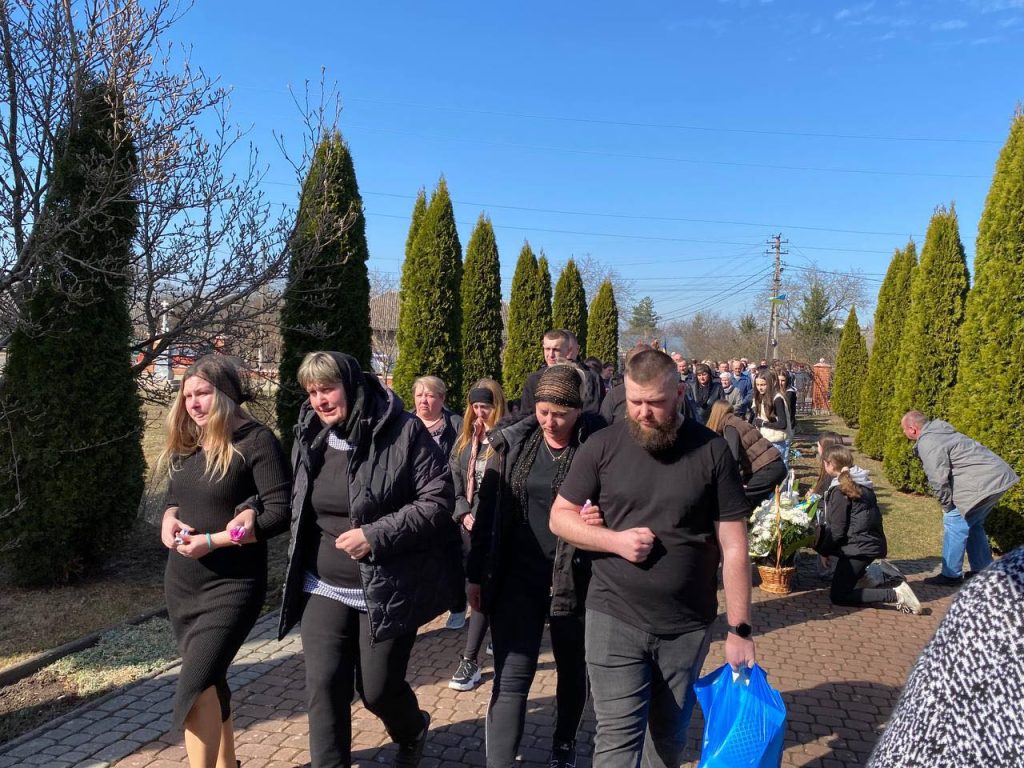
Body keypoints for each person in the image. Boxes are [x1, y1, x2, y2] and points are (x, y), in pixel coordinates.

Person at [549, 349, 755, 768]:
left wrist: (740, 629)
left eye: (655, 403)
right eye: (635, 401)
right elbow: (560, 516)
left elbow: (734, 545)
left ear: (678, 394)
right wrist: (613, 540)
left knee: (668, 739)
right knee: (616, 739)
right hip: (613, 616)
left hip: (686, 624)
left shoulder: (712, 451)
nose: (643, 413)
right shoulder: (603, 445)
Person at [277, 351, 461, 768]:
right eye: (312, 392)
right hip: (323, 584)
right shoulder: (310, 432)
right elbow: (295, 495)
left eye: (327, 389)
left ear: (351, 387)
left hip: (387, 585)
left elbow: (437, 500)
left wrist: (374, 535)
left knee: (377, 690)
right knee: (324, 685)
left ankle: (411, 728)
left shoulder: (404, 431)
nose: (319, 400)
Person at [467, 365, 606, 768]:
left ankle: (564, 743)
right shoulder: (514, 443)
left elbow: (622, 502)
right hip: (517, 576)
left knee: (572, 669)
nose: (550, 422)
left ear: (578, 409)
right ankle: (500, 761)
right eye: (544, 411)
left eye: (560, 414)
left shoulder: (597, 446)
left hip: (576, 579)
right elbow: (488, 509)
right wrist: (475, 574)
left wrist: (603, 517)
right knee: (512, 674)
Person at [159, 355, 292, 768]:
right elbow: (175, 496)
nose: (194, 404)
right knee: (210, 681)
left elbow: (279, 513)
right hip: (183, 584)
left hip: (232, 586)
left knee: (193, 686)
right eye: (188, 396)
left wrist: (213, 541)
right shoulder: (191, 440)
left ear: (227, 394)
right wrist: (168, 518)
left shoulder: (257, 441)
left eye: (203, 393)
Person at [866, 545, 1024, 768]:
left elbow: (926, 735)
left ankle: (916, 585)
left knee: (840, 592)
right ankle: (973, 567)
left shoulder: (1003, 594)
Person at [900, 410, 1019, 586]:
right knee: (973, 524)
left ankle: (951, 575)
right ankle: (982, 571)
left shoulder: (928, 441)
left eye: (903, 429)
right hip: (999, 478)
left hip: (985, 483)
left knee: (954, 522)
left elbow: (938, 478)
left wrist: (947, 505)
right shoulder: (941, 432)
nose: (903, 433)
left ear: (912, 429)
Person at [446, 378, 506, 692]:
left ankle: (470, 659)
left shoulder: (504, 440)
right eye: (475, 406)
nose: (480, 412)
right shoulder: (466, 441)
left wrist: (480, 515)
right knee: (478, 588)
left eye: (486, 406)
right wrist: (462, 511)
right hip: (468, 526)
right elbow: (455, 484)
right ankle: (486, 643)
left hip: (495, 526)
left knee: (483, 590)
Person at [814, 444, 922, 614]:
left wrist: (823, 551)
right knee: (844, 580)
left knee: (839, 596)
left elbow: (837, 531)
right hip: (868, 542)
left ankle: (896, 595)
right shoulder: (861, 482)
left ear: (829, 464)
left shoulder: (840, 490)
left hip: (858, 548)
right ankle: (863, 578)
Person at [706, 401, 786, 508]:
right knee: (752, 502)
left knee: (740, 501)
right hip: (774, 465)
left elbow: (733, 458)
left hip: (768, 469)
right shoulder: (737, 421)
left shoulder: (730, 426)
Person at [520, 329, 603, 415]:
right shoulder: (533, 380)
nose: (551, 355)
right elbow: (526, 414)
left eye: (556, 350)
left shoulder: (584, 378)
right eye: (547, 349)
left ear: (568, 351)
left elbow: (590, 413)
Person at [412, 375, 463, 459]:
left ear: (442, 397)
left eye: (429, 396)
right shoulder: (403, 422)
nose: (423, 400)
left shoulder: (457, 425)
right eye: (419, 395)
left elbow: (459, 460)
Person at [750, 370, 793, 466]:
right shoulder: (760, 397)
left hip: (777, 441)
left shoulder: (777, 399)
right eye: (757, 385)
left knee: (778, 469)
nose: (760, 388)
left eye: (763, 385)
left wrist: (763, 423)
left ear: (770, 383)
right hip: (765, 438)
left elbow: (782, 424)